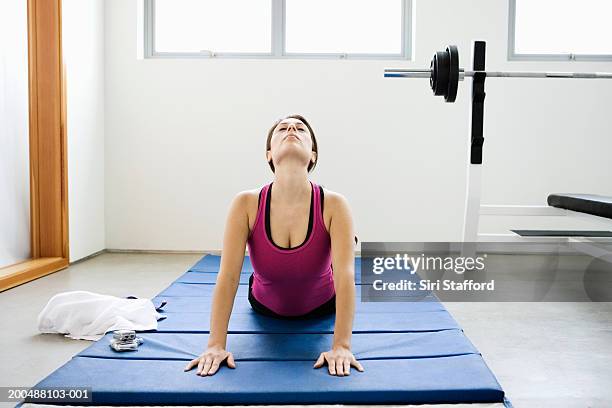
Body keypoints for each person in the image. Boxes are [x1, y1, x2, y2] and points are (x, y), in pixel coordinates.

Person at [184, 114, 363, 377]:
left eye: (300, 128)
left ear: (313, 155)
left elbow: (346, 276)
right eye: (282, 128)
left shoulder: (335, 204)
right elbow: (229, 275)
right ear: (269, 154)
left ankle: (345, 238)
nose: (291, 129)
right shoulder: (245, 203)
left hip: (323, 306)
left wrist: (341, 346)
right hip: (264, 305)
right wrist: (215, 345)